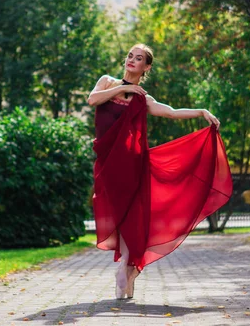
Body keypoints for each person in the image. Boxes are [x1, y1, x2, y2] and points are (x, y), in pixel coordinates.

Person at [87, 44, 233, 299]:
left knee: (132, 217)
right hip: (109, 166)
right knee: (118, 214)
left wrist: (201, 112)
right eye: (130, 56)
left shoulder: (144, 100)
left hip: (134, 167)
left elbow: (172, 112)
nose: (132, 60)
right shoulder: (108, 82)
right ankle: (128, 270)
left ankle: (126, 270)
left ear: (146, 67)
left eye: (139, 58)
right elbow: (92, 99)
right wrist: (123, 88)